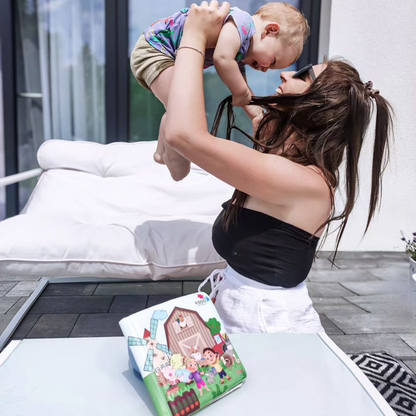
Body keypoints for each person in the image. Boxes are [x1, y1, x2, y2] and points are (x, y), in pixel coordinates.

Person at [164, 2, 393, 334]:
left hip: (268, 326)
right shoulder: (285, 153)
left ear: (319, 105)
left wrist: (194, 37)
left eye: (301, 75)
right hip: (243, 311)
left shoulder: (304, 182)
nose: (285, 73)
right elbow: (253, 114)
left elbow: (184, 134)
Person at [130, 3, 310, 181]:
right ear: (270, 30)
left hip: (169, 56)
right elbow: (222, 59)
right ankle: (173, 153)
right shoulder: (242, 23)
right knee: (183, 107)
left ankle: (162, 152)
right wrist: (239, 92)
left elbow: (241, 83)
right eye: (272, 62)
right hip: (156, 49)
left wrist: (256, 114)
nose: (265, 70)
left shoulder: (241, 50)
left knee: (177, 107)